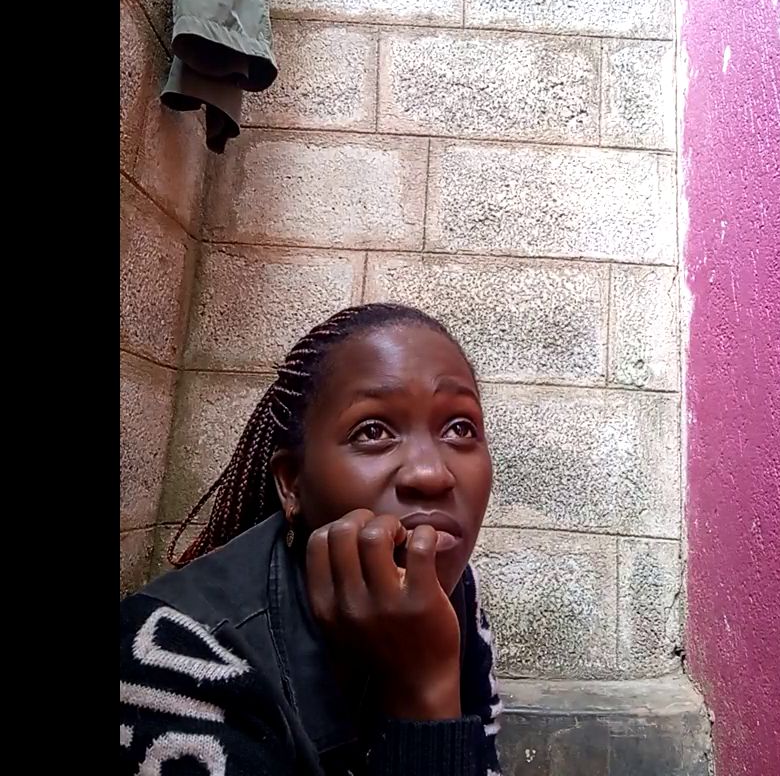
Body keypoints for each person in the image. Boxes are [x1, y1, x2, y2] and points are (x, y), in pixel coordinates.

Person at [120, 304, 503, 776]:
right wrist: (422, 690)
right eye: (373, 431)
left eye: (460, 428)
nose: (431, 473)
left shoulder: (450, 591)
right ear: (292, 484)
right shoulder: (172, 661)